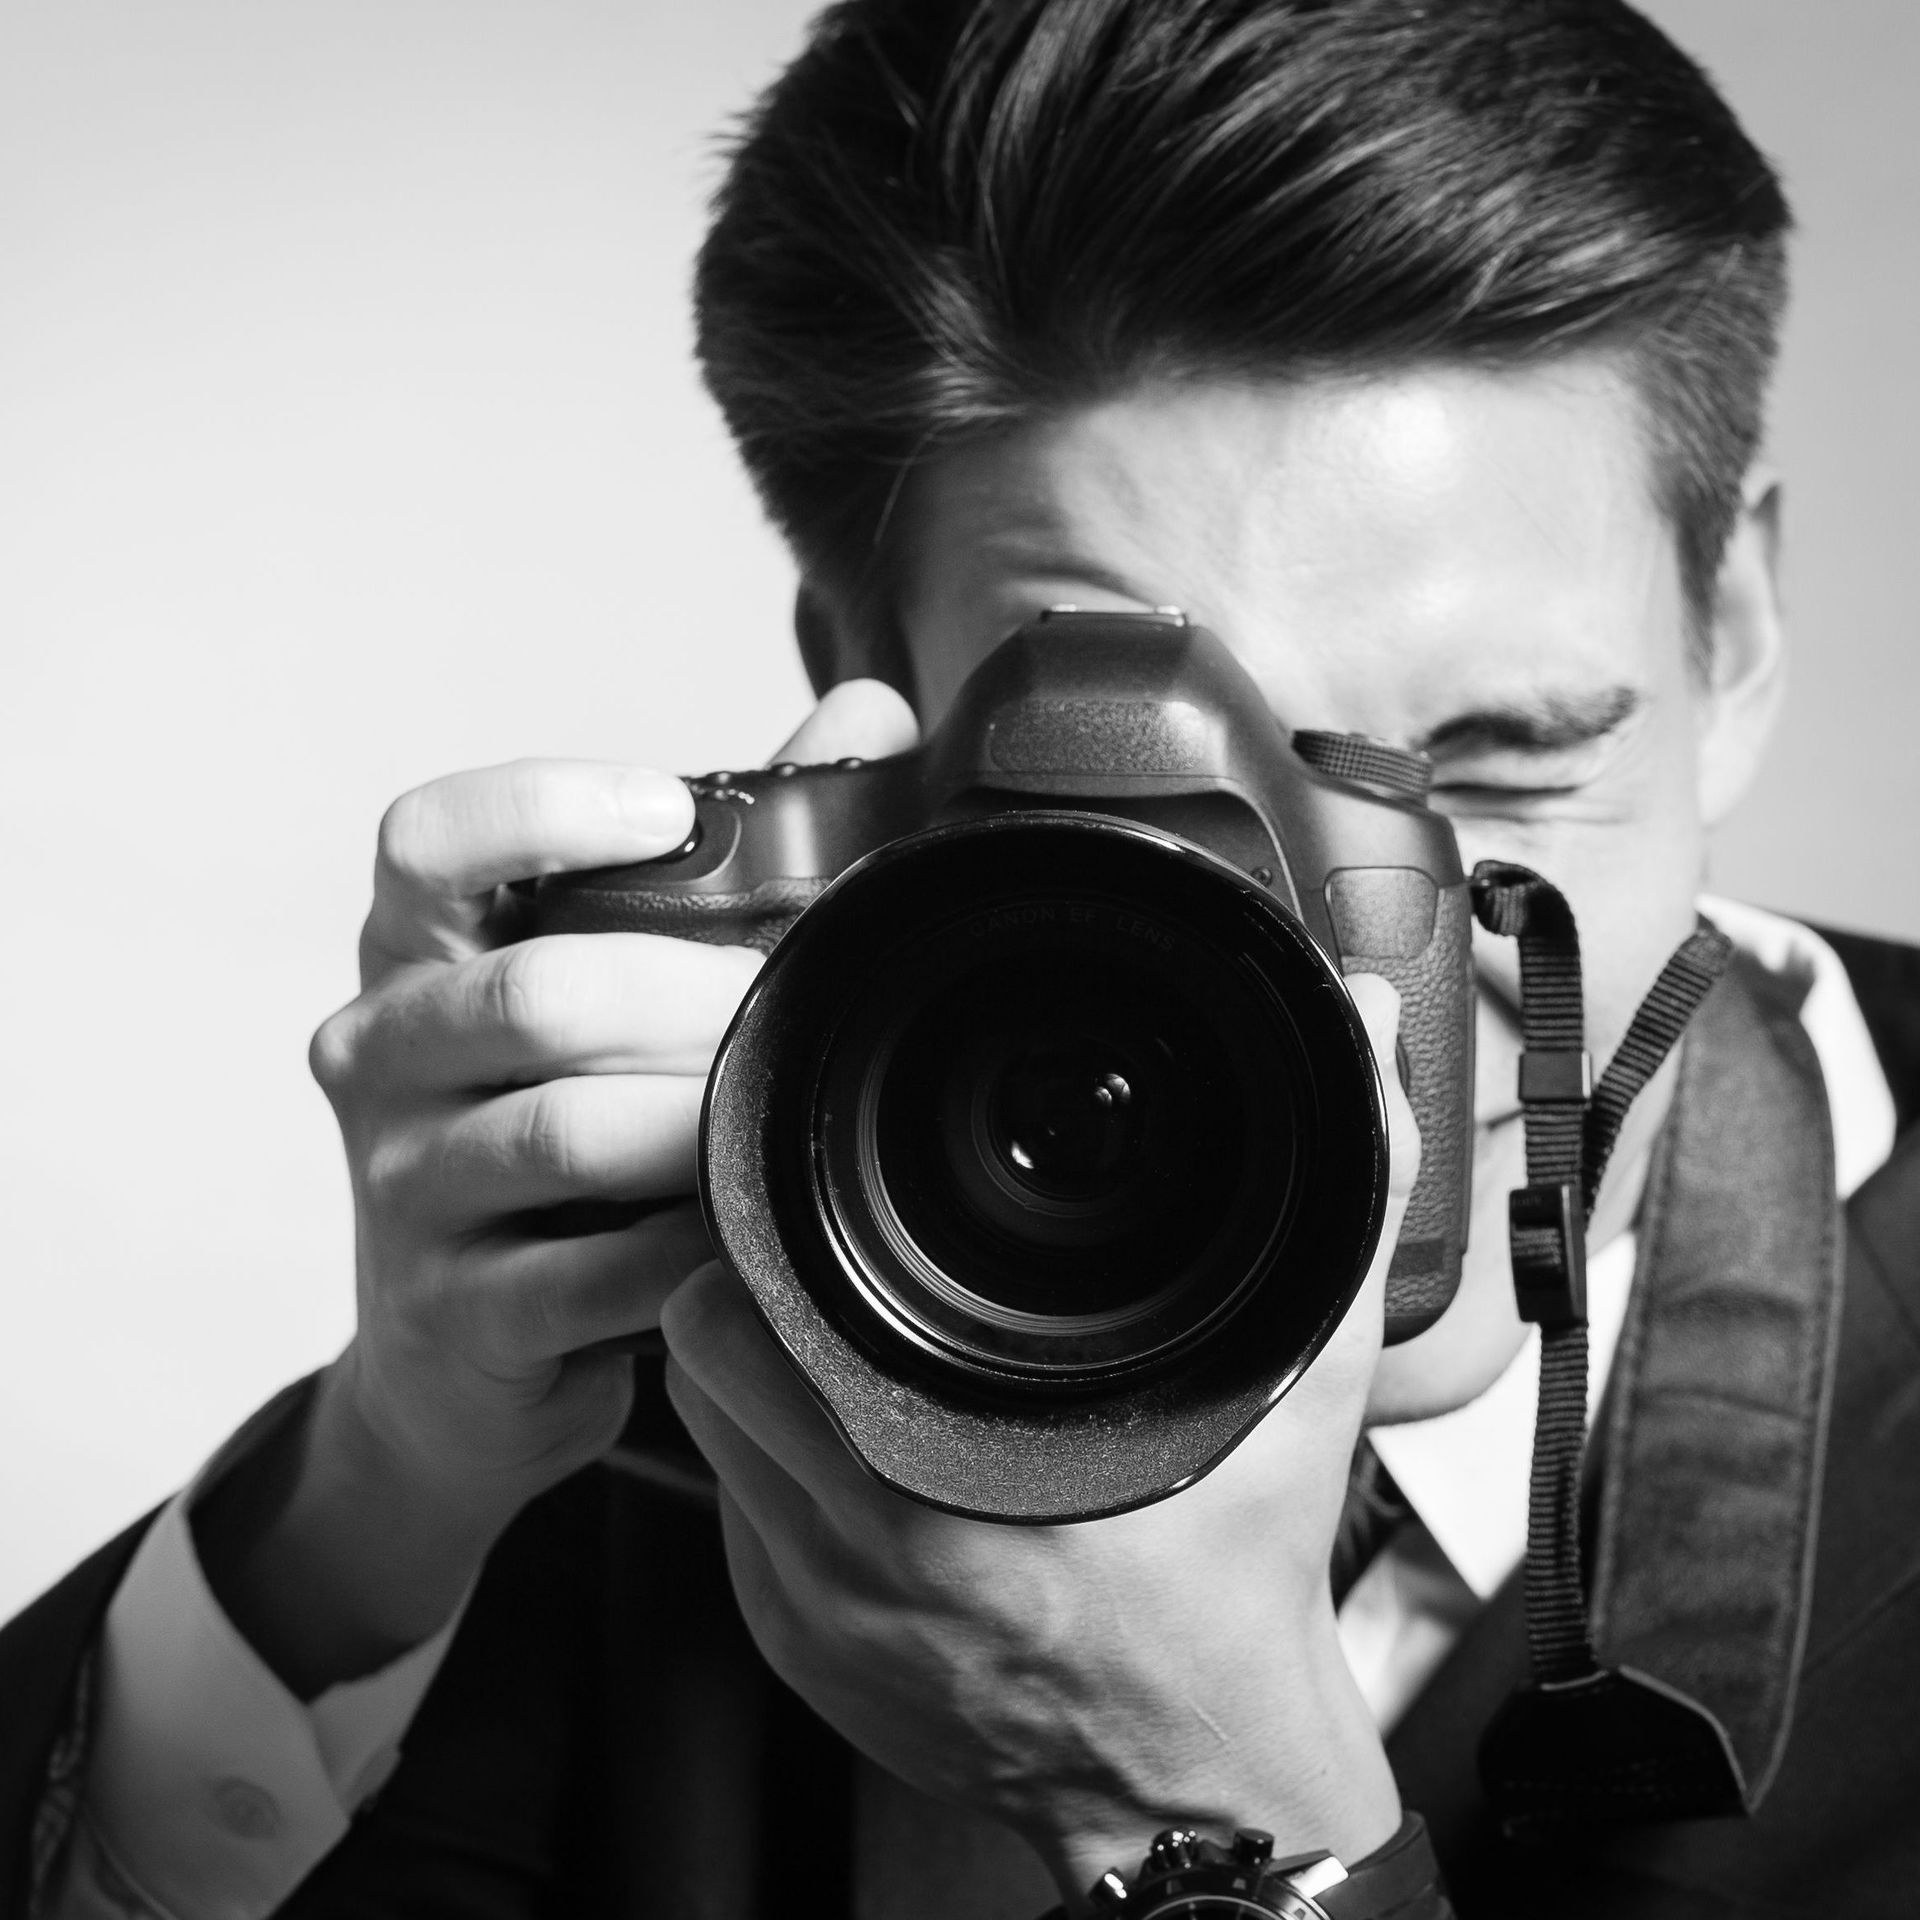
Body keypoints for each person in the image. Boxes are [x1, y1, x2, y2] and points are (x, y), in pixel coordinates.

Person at [6, 0, 1920, 1914]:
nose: (1343, 1024)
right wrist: (378, 1488)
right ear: (862, 688)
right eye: (1162, 806)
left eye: (1499, 765)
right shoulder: (729, 1315)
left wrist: (1213, 1817)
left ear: (1737, 633)